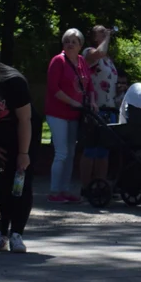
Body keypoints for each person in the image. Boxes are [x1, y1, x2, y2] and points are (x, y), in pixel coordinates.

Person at [0, 63, 33, 254]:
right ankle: (0, 233)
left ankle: (17, 234)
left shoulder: (13, 81)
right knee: (0, 185)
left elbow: (25, 119)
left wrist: (23, 153)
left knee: (20, 184)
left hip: (22, 133)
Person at [45, 28, 95, 203]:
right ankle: (54, 191)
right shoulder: (58, 61)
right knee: (62, 152)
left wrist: (92, 101)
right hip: (57, 113)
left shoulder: (81, 61)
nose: (70, 44)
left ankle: (64, 190)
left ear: (81, 45)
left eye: (74, 41)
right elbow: (54, 89)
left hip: (75, 114)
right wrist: (73, 102)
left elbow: (89, 86)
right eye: (67, 41)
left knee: (71, 152)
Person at [80, 25, 118, 193]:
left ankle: (100, 186)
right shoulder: (89, 52)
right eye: (101, 31)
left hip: (109, 109)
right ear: (94, 36)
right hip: (94, 108)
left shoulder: (108, 60)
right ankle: (86, 186)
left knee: (104, 151)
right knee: (91, 149)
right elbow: (99, 53)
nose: (105, 33)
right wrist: (107, 37)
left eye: (105, 31)